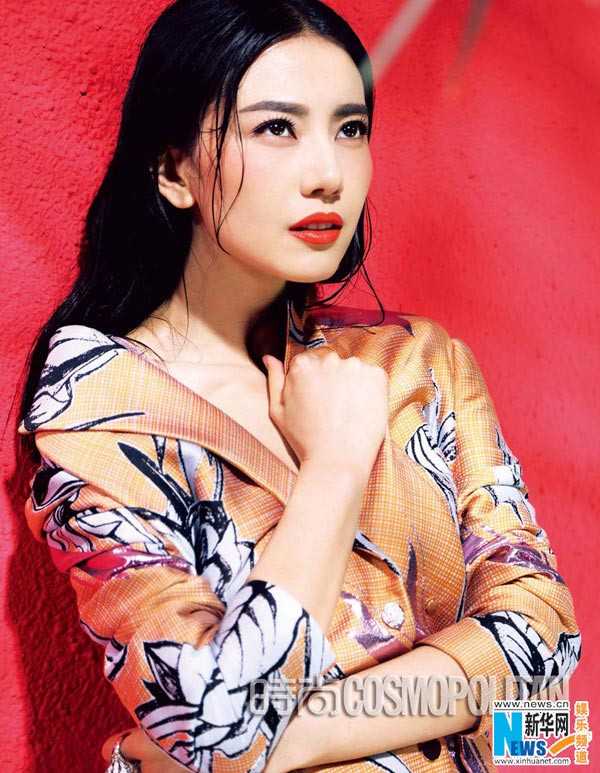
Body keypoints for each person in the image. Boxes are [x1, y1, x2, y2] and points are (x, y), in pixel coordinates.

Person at [16, 1, 581, 771]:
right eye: (278, 127)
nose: (329, 175)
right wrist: (335, 468)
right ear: (173, 170)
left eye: (350, 128)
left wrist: (275, 743)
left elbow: (548, 670)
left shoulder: (417, 363)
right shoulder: (100, 413)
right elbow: (218, 725)